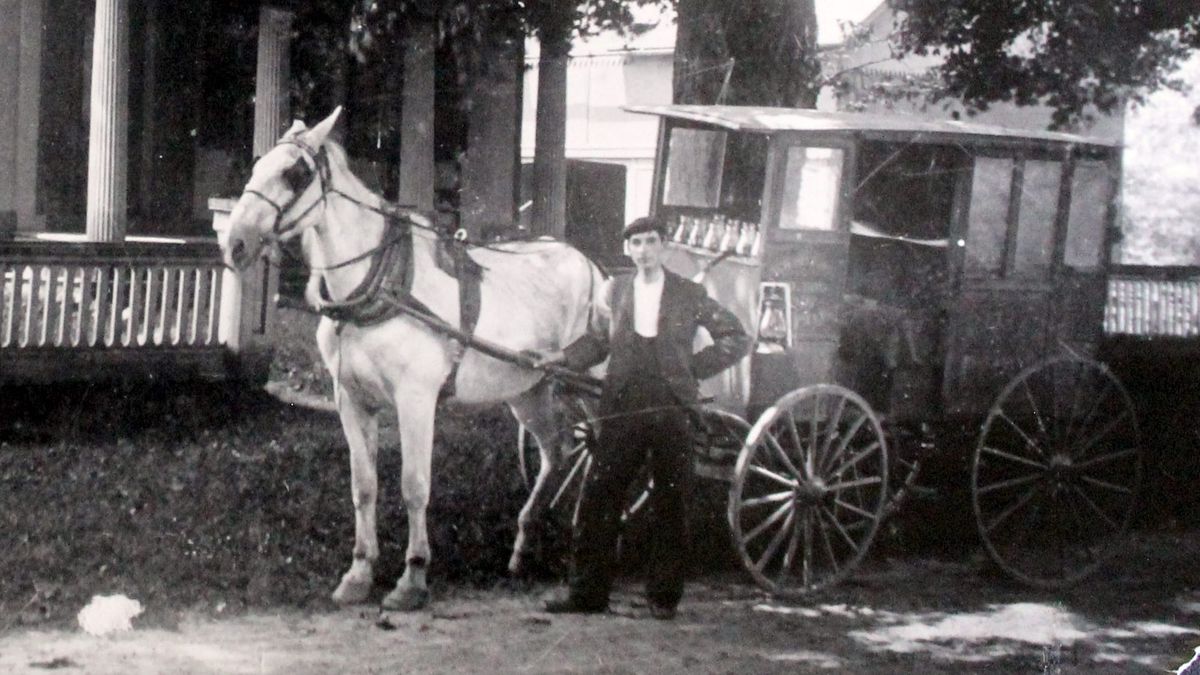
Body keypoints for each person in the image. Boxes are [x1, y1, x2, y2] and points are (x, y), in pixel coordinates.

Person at [535, 215, 749, 620]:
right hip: (624, 405)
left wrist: (691, 369)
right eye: (635, 243)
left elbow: (736, 337)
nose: (644, 251)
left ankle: (662, 598)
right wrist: (562, 358)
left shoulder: (689, 292)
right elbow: (599, 341)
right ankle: (587, 594)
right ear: (628, 249)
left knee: (672, 501)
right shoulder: (615, 290)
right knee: (598, 496)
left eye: (651, 242)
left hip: (672, 407)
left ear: (664, 246)